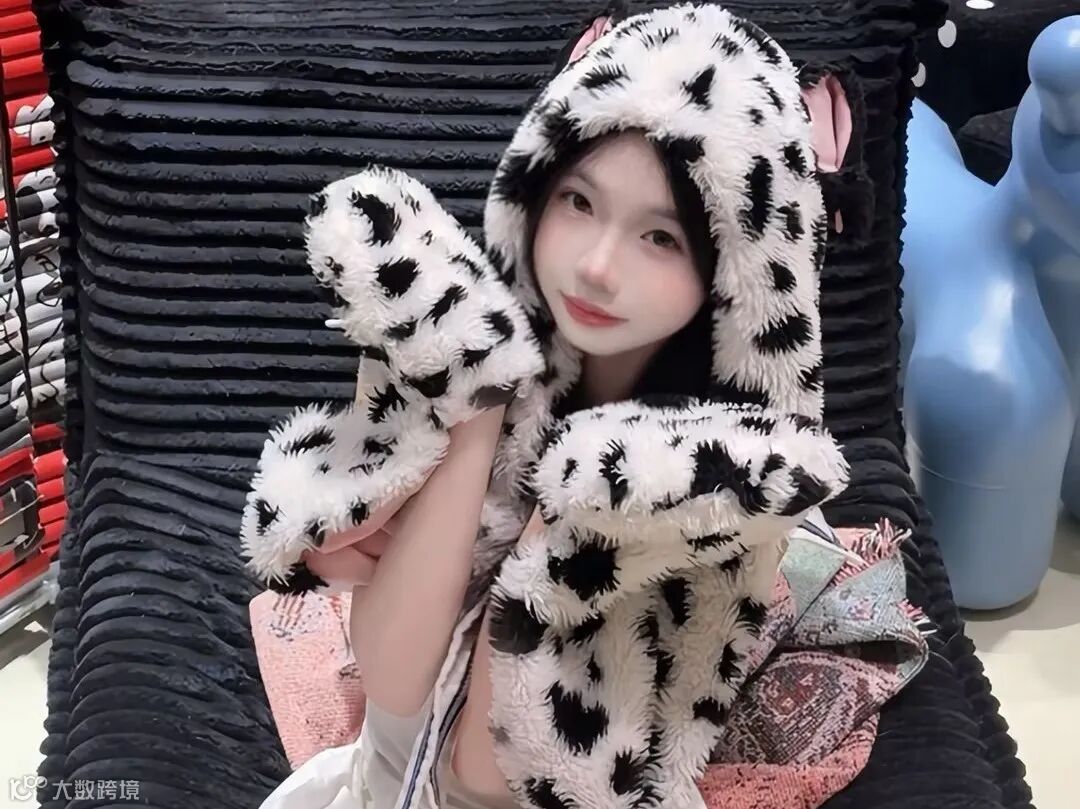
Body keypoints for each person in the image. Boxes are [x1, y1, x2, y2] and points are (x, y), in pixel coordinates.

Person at [241, 4, 854, 808]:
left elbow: (489, 774)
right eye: (578, 202)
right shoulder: (442, 329)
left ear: (731, 273)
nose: (597, 266)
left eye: (661, 237)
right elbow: (390, 681)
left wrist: (575, 515)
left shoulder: (719, 484)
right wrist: (480, 403)